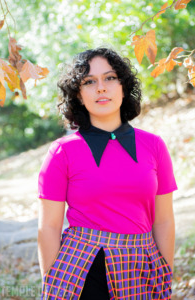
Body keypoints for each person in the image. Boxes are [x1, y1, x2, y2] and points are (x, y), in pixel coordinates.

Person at [37, 47, 178, 300]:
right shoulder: (61, 152)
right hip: (80, 272)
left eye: (110, 78)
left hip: (142, 267)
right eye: (89, 82)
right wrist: (54, 284)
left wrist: (163, 276)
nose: (101, 87)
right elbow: (48, 227)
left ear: (123, 87)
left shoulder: (154, 146)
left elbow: (164, 220)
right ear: (79, 95)